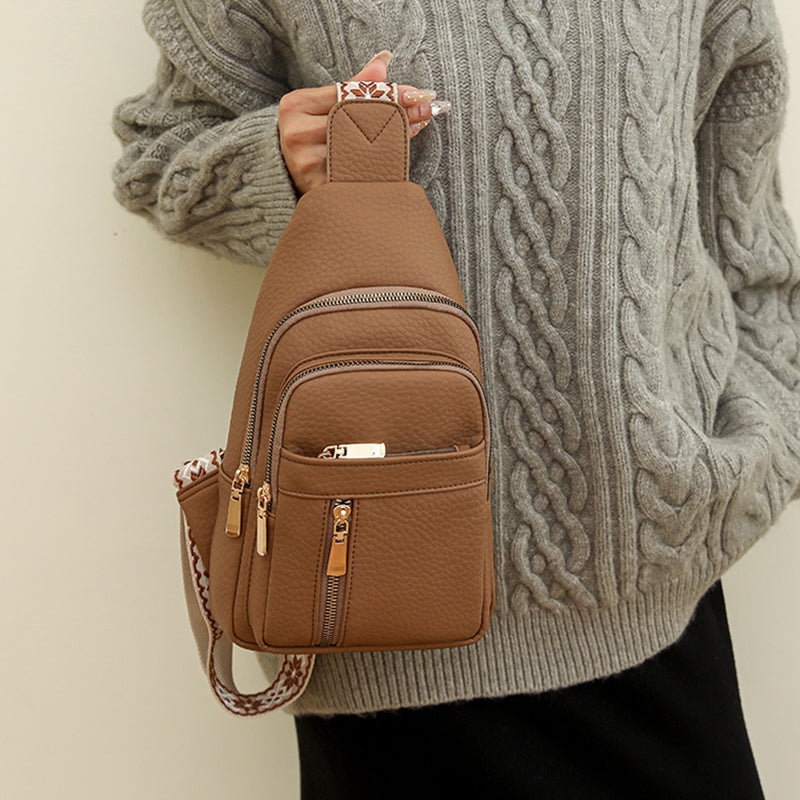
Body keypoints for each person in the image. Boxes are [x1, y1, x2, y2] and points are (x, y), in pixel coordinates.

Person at [112, 1, 800, 797]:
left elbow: (747, 231)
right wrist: (278, 155)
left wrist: (771, 431)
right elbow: (161, 158)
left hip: (652, 585)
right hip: (378, 601)